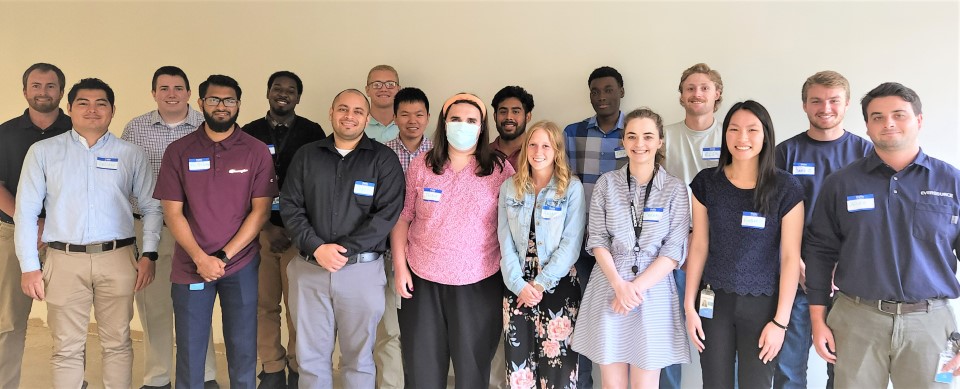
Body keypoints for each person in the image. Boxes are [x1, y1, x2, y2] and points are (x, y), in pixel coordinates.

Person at [805, 82, 960, 388]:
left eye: (898, 114)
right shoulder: (841, 184)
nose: (887, 122)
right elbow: (820, 253)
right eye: (877, 117)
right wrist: (817, 320)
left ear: (919, 120)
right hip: (856, 320)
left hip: (931, 325)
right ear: (866, 126)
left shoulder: (952, 182)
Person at [16, 77, 162, 388]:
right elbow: (26, 213)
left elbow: (152, 208)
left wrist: (149, 254)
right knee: (66, 347)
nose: (92, 110)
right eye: (83, 103)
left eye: (101, 104)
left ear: (112, 111)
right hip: (63, 258)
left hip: (118, 258)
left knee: (118, 343)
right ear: (69, 109)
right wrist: (29, 266)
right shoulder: (43, 152)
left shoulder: (131, 154)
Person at [154, 74, 277, 388]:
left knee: (242, 346)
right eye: (214, 99)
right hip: (191, 265)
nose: (222, 106)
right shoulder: (178, 150)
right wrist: (200, 257)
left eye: (229, 100)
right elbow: (172, 212)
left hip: (241, 265)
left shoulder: (256, 150)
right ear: (201, 103)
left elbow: (260, 211)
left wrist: (222, 256)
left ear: (238, 105)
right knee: (191, 348)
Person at [280, 88, 404, 388]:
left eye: (358, 111)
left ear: (367, 117)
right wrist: (317, 247)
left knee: (360, 358)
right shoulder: (307, 155)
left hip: (361, 271)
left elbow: (386, 215)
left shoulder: (383, 160)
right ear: (331, 113)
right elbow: (290, 206)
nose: (349, 116)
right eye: (343, 109)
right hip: (310, 270)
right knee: (310, 358)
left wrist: (343, 250)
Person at [392, 93, 514, 388]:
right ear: (443, 124)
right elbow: (403, 217)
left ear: (482, 126)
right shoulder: (422, 165)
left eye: (471, 121)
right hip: (422, 281)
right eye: (455, 119)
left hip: (478, 281)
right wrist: (400, 266)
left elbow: (514, 226)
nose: (463, 126)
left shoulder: (499, 169)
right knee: (422, 369)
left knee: (472, 368)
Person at [684, 100, 803, 388]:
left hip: (764, 307)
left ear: (766, 136)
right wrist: (689, 306)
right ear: (725, 135)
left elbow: (790, 258)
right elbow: (698, 245)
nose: (743, 138)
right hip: (714, 303)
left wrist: (780, 322)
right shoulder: (707, 184)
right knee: (715, 383)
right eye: (734, 130)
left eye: (752, 130)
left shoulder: (785, 188)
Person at [571, 108, 691, 389]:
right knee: (612, 385)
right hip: (609, 286)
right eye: (632, 136)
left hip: (654, 292)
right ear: (623, 141)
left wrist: (633, 289)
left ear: (660, 141)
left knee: (646, 383)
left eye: (648, 136)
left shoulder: (675, 189)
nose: (640, 144)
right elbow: (597, 239)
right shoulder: (606, 184)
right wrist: (619, 285)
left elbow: (674, 250)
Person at [122, 65, 221, 389]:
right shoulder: (135, 129)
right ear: (153, 93)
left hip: (198, 231)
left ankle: (205, 375)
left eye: (178, 88)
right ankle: (158, 377)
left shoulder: (207, 128)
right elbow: (124, 180)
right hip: (151, 228)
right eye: (164, 88)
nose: (171, 94)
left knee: (198, 305)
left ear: (189, 94)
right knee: (154, 306)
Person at [772, 71, 872, 389]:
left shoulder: (868, 155)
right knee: (788, 371)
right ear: (804, 105)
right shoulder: (784, 154)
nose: (824, 107)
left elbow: (875, 221)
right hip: (795, 279)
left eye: (833, 101)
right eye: (816, 100)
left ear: (846, 105)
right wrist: (798, 267)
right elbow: (772, 217)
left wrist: (842, 269)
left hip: (850, 286)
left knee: (845, 373)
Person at [241, 70, 325, 389]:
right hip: (258, 234)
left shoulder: (313, 132)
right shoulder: (248, 133)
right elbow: (240, 187)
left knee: (298, 309)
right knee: (264, 305)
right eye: (278, 88)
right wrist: (264, 228)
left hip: (298, 236)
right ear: (267, 92)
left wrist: (294, 228)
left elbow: (319, 185)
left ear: (298, 98)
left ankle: (298, 365)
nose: (283, 94)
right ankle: (272, 367)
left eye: (291, 90)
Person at [498, 120, 585, 388]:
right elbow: (505, 241)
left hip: (557, 284)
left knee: (558, 363)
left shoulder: (571, 188)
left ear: (557, 150)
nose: (538, 151)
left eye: (546, 145)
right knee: (519, 365)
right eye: (533, 144)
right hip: (517, 285)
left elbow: (571, 244)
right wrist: (519, 285)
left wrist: (540, 283)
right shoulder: (509, 187)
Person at [0, 62, 71, 388]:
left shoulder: (78, 129)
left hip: (66, 236)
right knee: (9, 322)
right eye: (37, 85)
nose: (43, 92)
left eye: (51, 86)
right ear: (25, 90)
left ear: (61, 90)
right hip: (13, 233)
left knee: (69, 321)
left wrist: (49, 224)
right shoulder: (5, 133)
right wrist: (27, 221)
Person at [661, 63, 725, 389]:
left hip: (719, 252)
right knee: (668, 335)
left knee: (717, 339)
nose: (696, 93)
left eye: (704, 87)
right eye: (690, 88)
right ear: (681, 96)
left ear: (717, 94)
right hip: (672, 250)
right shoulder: (664, 137)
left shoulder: (732, 137)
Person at [563, 66, 628, 388]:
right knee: (583, 320)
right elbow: (563, 187)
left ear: (621, 91)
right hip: (580, 245)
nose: (601, 97)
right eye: (595, 91)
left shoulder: (635, 132)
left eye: (608, 89)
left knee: (617, 320)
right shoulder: (572, 133)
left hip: (623, 250)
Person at [490, 86, 535, 170]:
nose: (509, 117)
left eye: (515, 112)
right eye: (503, 112)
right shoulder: (483, 154)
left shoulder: (537, 154)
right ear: (495, 116)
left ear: (528, 117)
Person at [364, 64, 401, 142]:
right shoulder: (357, 125)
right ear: (367, 90)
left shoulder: (408, 124)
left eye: (390, 84)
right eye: (377, 84)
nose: (383, 89)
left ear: (398, 90)